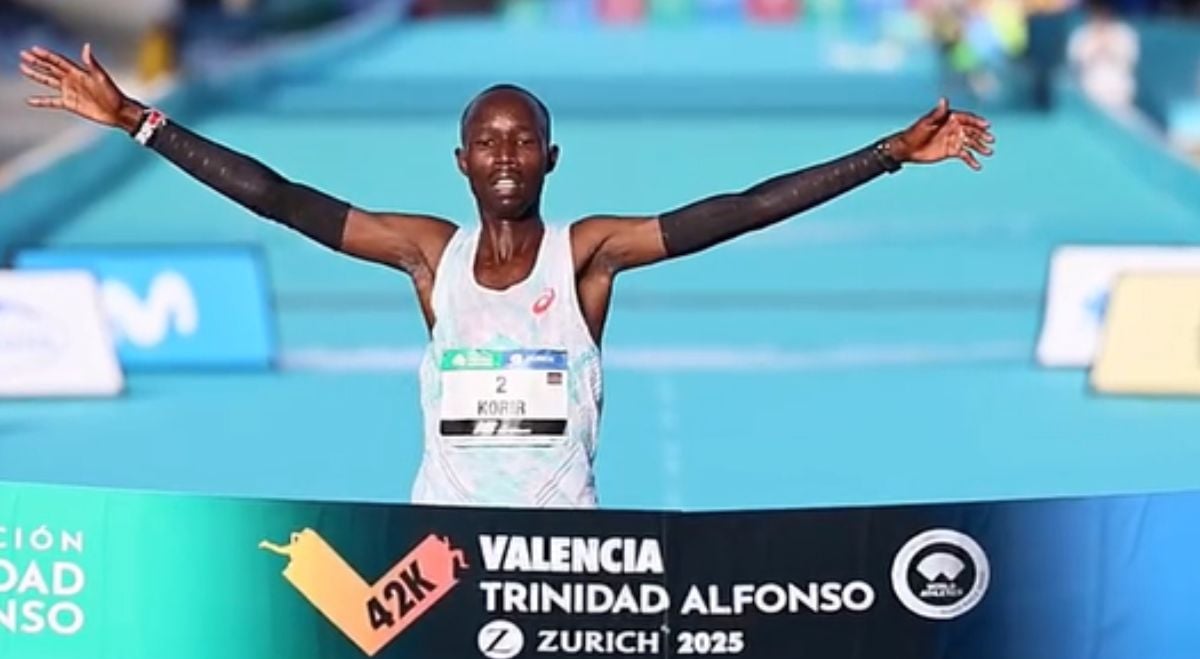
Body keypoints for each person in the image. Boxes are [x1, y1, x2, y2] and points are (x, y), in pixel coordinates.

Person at [18, 42, 995, 509]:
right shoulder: (426, 254)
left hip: (564, 558)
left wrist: (888, 155)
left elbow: (741, 209)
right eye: (487, 142)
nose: (505, 157)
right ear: (460, 162)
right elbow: (280, 198)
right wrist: (138, 119)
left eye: (523, 141)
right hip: (439, 551)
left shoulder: (589, 254)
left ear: (551, 158)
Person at [1067, 0, 1139, 111]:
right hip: (1090, 93)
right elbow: (1075, 65)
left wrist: (1110, 47)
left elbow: (1130, 62)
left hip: (1119, 92)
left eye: (1103, 11)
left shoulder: (1125, 33)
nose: (1100, 15)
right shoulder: (1080, 34)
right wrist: (1095, 49)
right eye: (1096, 11)